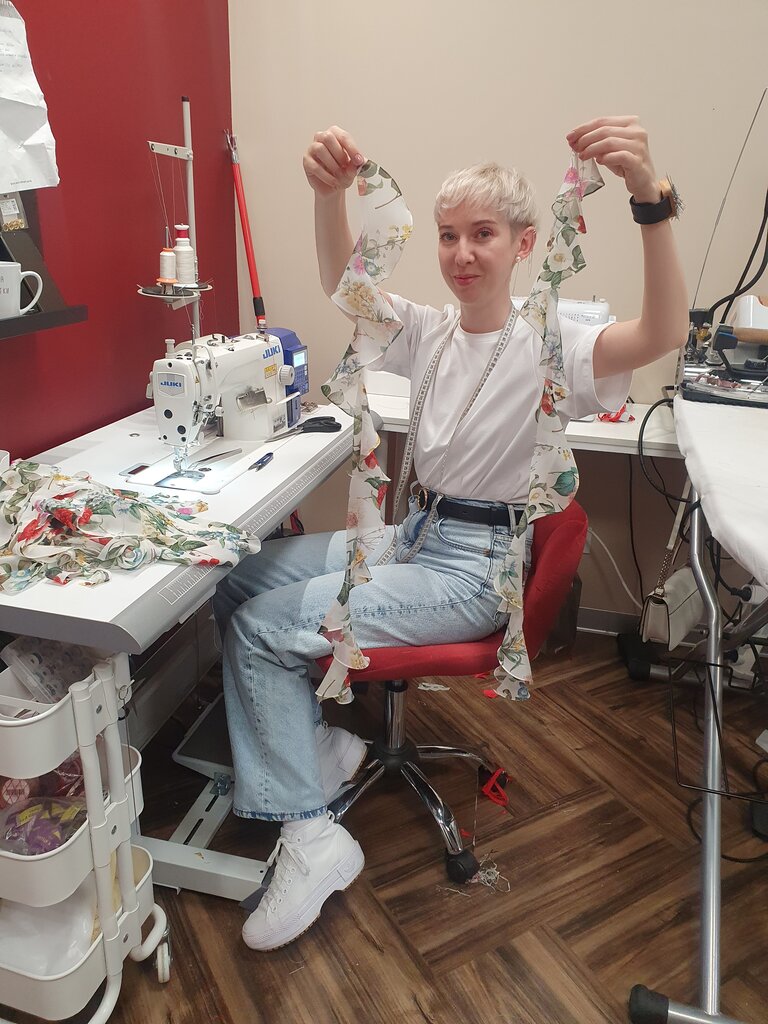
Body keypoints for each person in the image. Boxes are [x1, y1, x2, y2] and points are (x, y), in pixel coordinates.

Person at [213, 116, 689, 951]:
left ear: (525, 243)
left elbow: (662, 334)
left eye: (483, 234)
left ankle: (314, 839)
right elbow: (347, 287)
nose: (462, 253)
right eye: (446, 236)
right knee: (240, 577)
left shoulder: (552, 344)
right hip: (414, 537)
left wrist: (652, 202)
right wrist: (328, 196)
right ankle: (316, 747)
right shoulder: (429, 332)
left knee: (260, 629)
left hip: (474, 570)